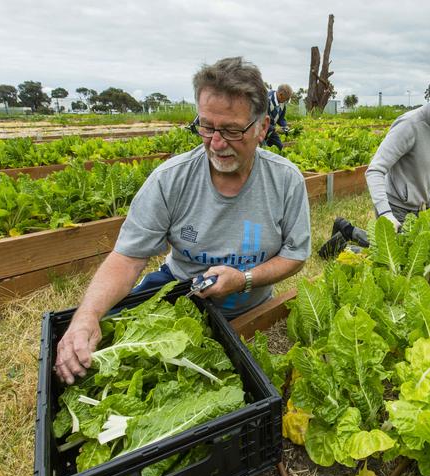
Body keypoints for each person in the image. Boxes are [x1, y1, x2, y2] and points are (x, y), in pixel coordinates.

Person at [55, 57, 311, 385]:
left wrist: (244, 278)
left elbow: (295, 255)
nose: (216, 144)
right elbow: (128, 257)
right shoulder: (171, 179)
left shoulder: (286, 180)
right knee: (97, 348)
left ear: (262, 128)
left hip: (252, 304)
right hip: (181, 294)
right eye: (206, 127)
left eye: (232, 130)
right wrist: (86, 316)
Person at [318, 73, 430, 258]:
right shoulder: (410, 125)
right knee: (393, 259)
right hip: (395, 205)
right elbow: (375, 170)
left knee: (406, 252)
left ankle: (348, 229)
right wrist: (386, 212)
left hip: (419, 208)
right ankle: (338, 249)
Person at [264, 84, 293, 150]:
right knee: (262, 148)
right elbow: (263, 120)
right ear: (280, 95)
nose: (286, 101)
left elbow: (281, 119)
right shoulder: (267, 100)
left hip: (271, 130)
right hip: (261, 129)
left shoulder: (283, 103)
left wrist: (285, 126)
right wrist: (276, 129)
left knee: (279, 147)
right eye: (286, 99)